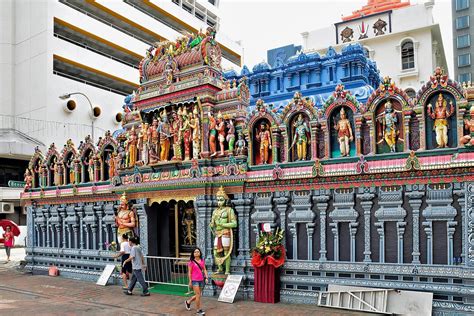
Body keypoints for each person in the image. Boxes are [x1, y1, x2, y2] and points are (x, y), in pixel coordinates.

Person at [209, 186, 237, 274]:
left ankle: (227, 270)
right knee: (215, 252)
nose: (219, 202)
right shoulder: (215, 211)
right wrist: (211, 225)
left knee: (226, 252)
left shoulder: (229, 210)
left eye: (221, 200)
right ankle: (220, 268)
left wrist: (222, 224)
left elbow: (234, 224)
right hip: (217, 234)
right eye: (218, 200)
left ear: (225, 200)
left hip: (225, 233)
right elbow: (212, 223)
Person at [185, 247, 208, 315]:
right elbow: (189, 272)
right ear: (193, 254)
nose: (196, 253)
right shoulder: (191, 262)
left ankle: (188, 302)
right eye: (195, 252)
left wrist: (206, 277)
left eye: (198, 251)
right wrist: (190, 281)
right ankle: (198, 310)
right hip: (195, 280)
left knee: (198, 295)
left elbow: (204, 269)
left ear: (200, 253)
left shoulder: (202, 260)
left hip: (201, 279)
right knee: (198, 295)